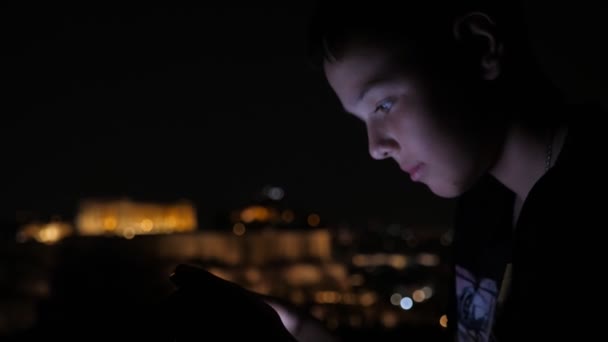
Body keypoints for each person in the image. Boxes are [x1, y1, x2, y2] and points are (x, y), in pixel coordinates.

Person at [164, 1, 601, 341]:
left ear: (479, 46)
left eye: (383, 104)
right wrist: (305, 332)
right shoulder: (485, 206)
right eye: (362, 120)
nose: (376, 148)